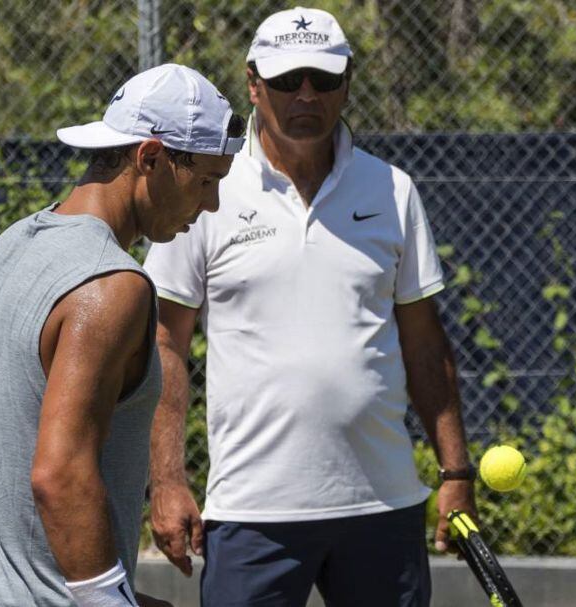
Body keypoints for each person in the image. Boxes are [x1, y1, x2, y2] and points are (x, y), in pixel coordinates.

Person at [143, 8, 477, 607]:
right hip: (250, 513)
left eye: (323, 80)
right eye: (286, 79)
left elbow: (426, 342)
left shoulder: (392, 190)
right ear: (253, 84)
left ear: (346, 83)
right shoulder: (208, 187)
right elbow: (166, 343)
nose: (305, 95)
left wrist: (456, 472)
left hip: (383, 508)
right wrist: (166, 480)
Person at [0, 64, 245, 607]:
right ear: (150, 158)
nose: (211, 205)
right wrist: (105, 599)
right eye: (208, 180)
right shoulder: (115, 285)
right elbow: (59, 475)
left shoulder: (5, 249)